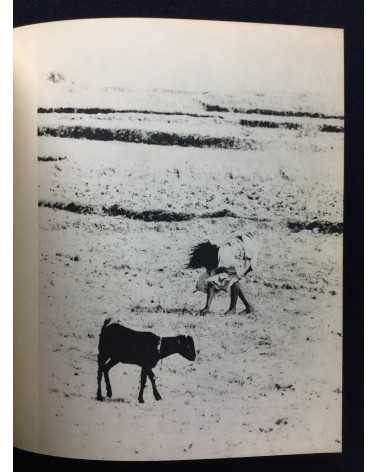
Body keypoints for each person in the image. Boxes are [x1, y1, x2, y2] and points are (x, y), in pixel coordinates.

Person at [187, 232, 254, 316]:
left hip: (246, 257)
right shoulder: (219, 255)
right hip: (241, 250)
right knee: (216, 280)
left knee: (233, 281)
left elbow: (235, 277)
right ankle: (247, 307)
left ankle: (233, 309)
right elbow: (211, 283)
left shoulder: (225, 259)